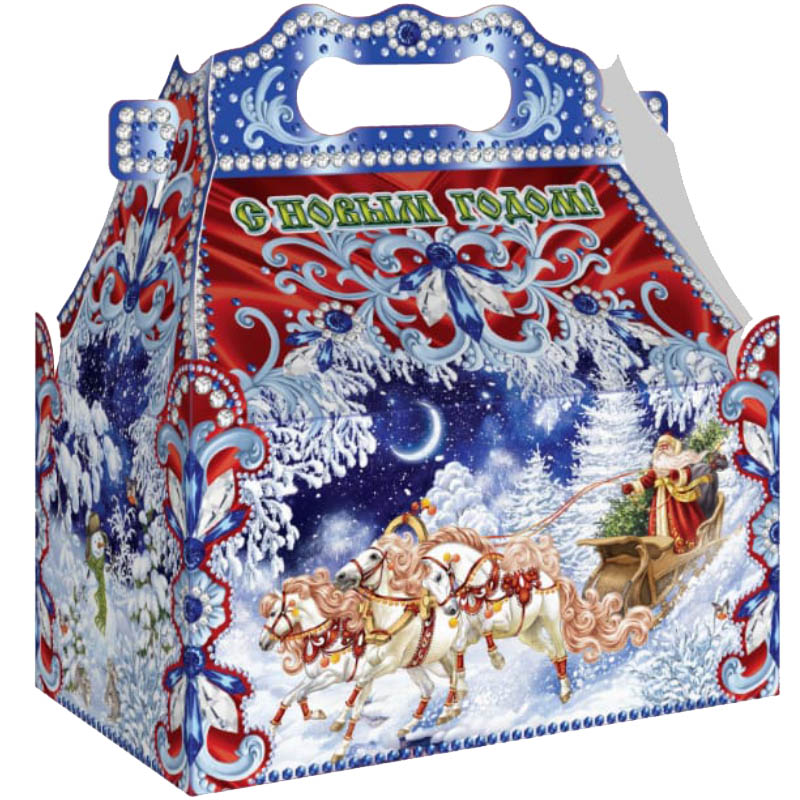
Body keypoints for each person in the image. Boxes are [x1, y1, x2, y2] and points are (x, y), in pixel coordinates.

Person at [621, 434, 727, 554]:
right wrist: (632, 487)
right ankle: (662, 552)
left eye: (665, 446)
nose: (662, 449)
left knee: (682, 523)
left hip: (678, 502)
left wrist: (674, 474)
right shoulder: (656, 468)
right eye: (660, 447)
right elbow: (646, 480)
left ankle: (685, 548)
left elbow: (687, 475)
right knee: (659, 525)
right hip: (660, 500)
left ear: (672, 448)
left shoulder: (679, 463)